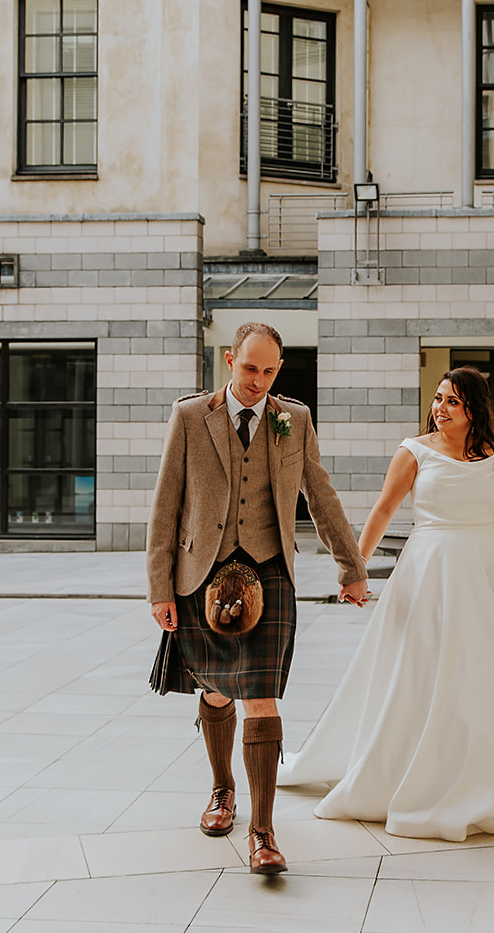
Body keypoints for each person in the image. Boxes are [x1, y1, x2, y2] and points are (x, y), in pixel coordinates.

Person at [278, 365, 494, 841]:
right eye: (438, 398)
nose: (440, 408)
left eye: (452, 402)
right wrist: (355, 568)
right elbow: (384, 509)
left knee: (489, 667)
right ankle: (412, 761)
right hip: (429, 569)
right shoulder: (414, 451)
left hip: (488, 570)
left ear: (474, 410)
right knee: (423, 665)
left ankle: (491, 766)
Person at [146, 322, 369, 875]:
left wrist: (351, 568)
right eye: (250, 369)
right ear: (229, 359)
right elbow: (165, 507)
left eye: (270, 371)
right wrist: (159, 589)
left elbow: (320, 494)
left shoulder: (294, 419)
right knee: (218, 695)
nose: (259, 381)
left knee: (262, 697)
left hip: (270, 576)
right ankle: (223, 791)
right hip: (202, 576)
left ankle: (263, 832)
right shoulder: (191, 417)